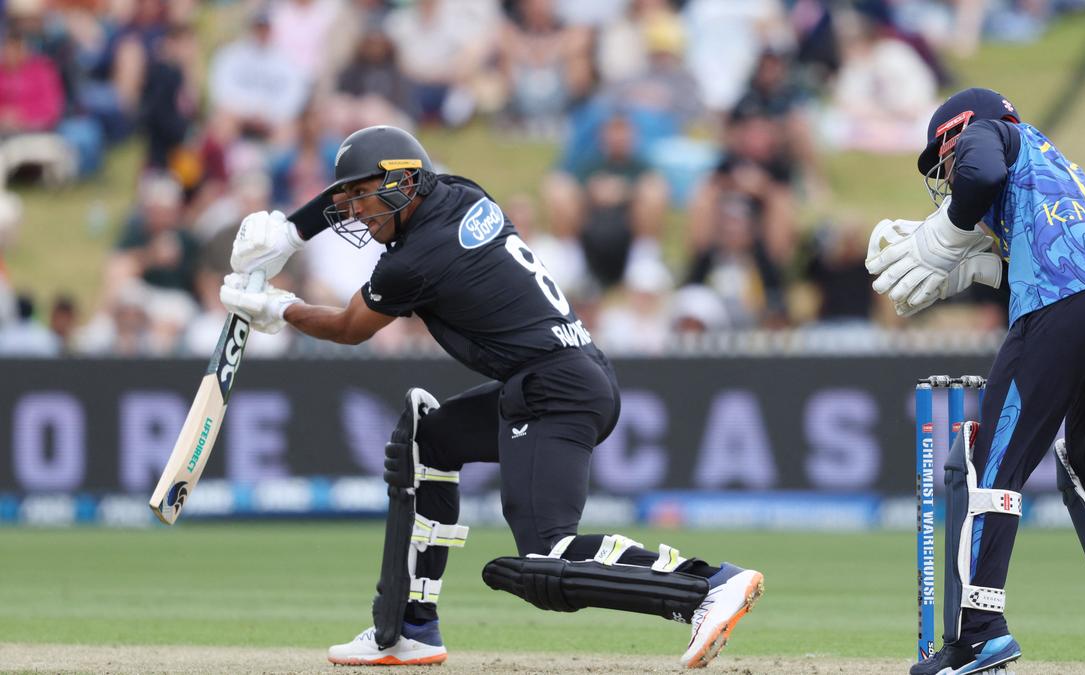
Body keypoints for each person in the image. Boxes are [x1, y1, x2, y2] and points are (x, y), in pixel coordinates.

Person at [217, 125, 765, 668]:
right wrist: (288, 233)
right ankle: (411, 628)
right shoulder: (458, 192)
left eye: (364, 196)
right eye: (350, 197)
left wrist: (276, 307)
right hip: (554, 377)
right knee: (427, 442)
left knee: (546, 557)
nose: (355, 211)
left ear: (403, 183)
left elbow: (348, 328)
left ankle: (707, 585)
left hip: (556, 390)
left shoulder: (415, 259)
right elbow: (343, 204)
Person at [865, 88, 1085, 675]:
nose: (947, 174)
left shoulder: (992, 134)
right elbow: (1052, 247)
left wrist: (944, 236)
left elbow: (979, 173)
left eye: (943, 159)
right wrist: (979, 265)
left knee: (989, 469)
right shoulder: (1057, 165)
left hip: (1068, 301)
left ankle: (980, 633)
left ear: (959, 131)